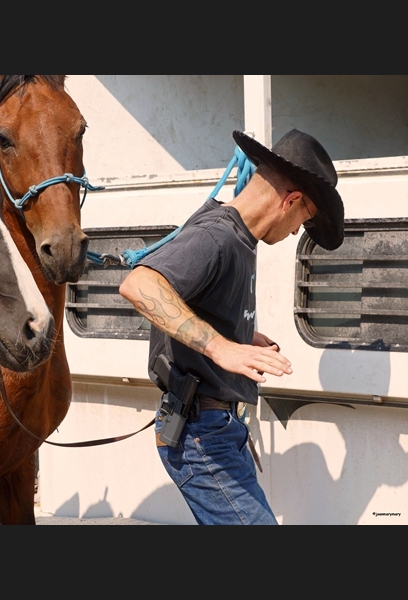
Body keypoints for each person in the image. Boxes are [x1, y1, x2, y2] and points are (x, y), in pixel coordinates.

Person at [119, 129, 345, 525]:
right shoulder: (218, 235)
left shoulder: (241, 240)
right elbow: (139, 284)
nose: (295, 232)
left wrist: (243, 337)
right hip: (201, 437)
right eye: (302, 220)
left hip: (218, 431)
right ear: (291, 200)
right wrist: (221, 348)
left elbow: (198, 301)